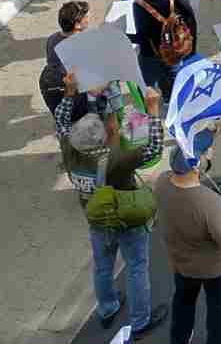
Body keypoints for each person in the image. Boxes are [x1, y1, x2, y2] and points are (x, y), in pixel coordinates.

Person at [55, 75, 167, 337]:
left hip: (96, 220)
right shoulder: (116, 159)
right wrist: (151, 110)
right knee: (137, 266)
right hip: (126, 220)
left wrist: (70, 94)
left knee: (102, 266)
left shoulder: (70, 150)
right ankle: (140, 322)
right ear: (103, 139)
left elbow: (60, 122)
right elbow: (151, 149)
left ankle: (107, 309)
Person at [155, 132, 221, 344]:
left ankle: (180, 337)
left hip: (182, 263)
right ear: (196, 165)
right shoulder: (209, 201)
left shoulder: (163, 182)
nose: (210, 153)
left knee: (183, 300)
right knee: (218, 306)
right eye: (206, 153)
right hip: (216, 269)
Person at [129, 0, 196, 99]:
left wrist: (124, 35)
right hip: (174, 47)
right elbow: (187, 10)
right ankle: (170, 99)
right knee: (173, 78)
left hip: (152, 55)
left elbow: (142, 37)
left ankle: (150, 108)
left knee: (146, 84)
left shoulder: (140, 5)